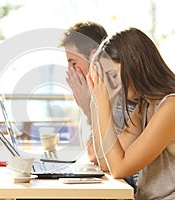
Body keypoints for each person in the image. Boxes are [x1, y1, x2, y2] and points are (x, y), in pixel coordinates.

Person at [87, 27, 175, 199]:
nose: (112, 87)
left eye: (113, 76)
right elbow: (105, 163)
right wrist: (97, 102)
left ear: (136, 65)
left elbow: (119, 168)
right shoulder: (145, 105)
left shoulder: (173, 107)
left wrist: (103, 105)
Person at [59, 21, 108, 163]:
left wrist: (88, 109)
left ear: (94, 56)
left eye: (73, 63)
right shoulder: (91, 90)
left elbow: (95, 155)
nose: (70, 70)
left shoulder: (113, 93)